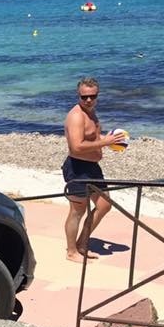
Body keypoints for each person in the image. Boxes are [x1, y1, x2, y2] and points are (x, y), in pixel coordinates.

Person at [62, 77, 127, 262]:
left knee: (104, 205)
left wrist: (110, 140)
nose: (89, 100)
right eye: (84, 97)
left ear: (97, 95)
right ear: (78, 96)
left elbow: (92, 137)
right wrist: (105, 142)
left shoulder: (91, 112)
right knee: (77, 210)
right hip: (77, 168)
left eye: (93, 96)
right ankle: (71, 251)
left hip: (92, 167)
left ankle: (82, 243)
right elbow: (76, 147)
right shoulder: (76, 116)